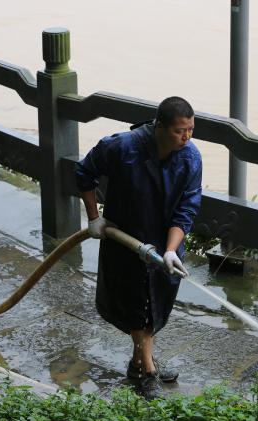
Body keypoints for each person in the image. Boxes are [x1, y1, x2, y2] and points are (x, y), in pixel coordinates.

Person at [76, 96, 202, 398]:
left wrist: (171, 250)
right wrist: (95, 218)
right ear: (159, 126)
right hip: (126, 241)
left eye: (191, 130)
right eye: (179, 131)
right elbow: (84, 173)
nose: (186, 137)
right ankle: (148, 371)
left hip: (163, 245)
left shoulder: (191, 158)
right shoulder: (122, 147)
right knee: (139, 308)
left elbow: (187, 208)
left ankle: (138, 363)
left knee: (154, 306)